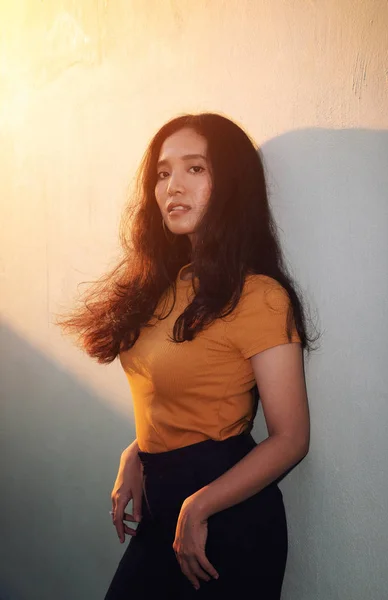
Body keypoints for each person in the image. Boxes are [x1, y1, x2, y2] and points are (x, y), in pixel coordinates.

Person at [58, 112, 316, 599]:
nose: (173, 185)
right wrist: (138, 450)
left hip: (226, 521)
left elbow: (291, 438)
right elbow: (179, 389)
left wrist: (199, 507)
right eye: (163, 172)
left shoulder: (259, 296)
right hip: (162, 509)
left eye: (195, 169)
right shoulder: (161, 287)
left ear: (232, 185)